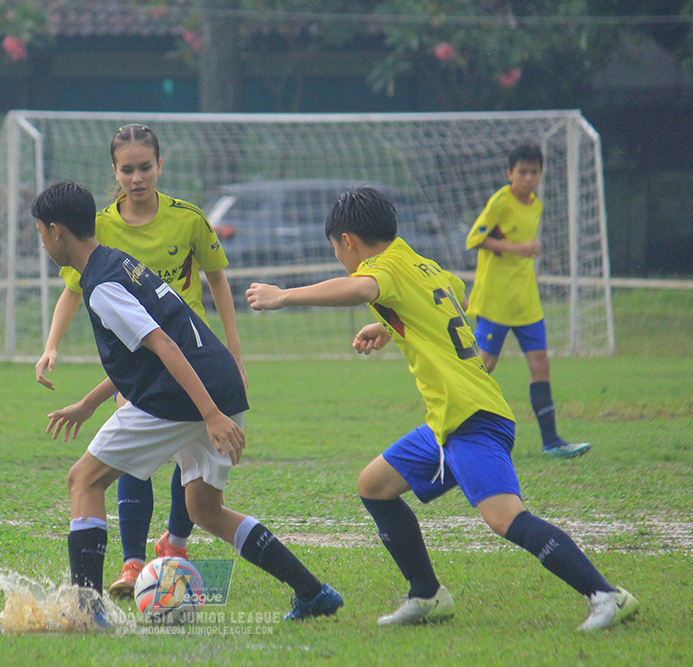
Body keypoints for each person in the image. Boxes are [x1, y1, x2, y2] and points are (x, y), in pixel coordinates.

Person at [246, 185, 637, 631]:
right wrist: (390, 323)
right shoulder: (421, 263)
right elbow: (451, 298)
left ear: (347, 241)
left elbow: (361, 287)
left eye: (336, 249)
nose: (340, 257)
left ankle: (605, 594)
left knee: (504, 518)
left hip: (472, 417)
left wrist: (284, 295)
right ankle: (427, 595)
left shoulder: (380, 268)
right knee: (374, 485)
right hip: (448, 421)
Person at [32, 180, 342, 626]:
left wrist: (210, 415)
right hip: (218, 381)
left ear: (56, 230)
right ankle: (313, 593)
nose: (42, 242)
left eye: (40, 232)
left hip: (186, 398)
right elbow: (147, 353)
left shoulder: (101, 286)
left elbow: (163, 345)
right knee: (205, 511)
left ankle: (87, 611)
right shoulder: (119, 262)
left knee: (84, 480)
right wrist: (88, 403)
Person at [34, 124, 248, 599]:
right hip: (142, 356)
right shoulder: (95, 226)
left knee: (185, 461)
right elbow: (73, 290)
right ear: (114, 172)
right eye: (127, 170)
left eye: (145, 168)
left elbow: (217, 279)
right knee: (131, 455)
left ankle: (175, 545)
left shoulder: (188, 218)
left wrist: (234, 352)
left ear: (160, 166)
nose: (137, 178)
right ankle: (133, 563)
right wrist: (51, 345)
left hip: (188, 350)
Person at [465, 143, 590, 459]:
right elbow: (474, 238)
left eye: (534, 172)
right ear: (510, 173)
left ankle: (552, 441)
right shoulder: (501, 201)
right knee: (485, 365)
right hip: (496, 299)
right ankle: (450, 428)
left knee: (540, 364)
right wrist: (517, 248)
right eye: (522, 172)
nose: (529, 178)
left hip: (526, 300)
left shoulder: (536, 205)